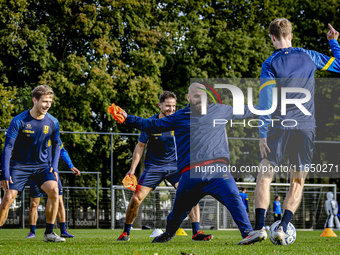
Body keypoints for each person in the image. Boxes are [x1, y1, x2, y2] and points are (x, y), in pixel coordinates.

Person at [114, 83, 260, 245]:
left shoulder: (220, 110)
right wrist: (128, 118)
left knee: (234, 196)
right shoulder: (179, 117)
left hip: (217, 172)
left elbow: (247, 110)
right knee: (177, 214)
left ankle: (247, 232)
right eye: (196, 96)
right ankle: (168, 233)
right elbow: (151, 125)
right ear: (188, 98)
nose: (200, 99)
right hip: (190, 176)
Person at [242, 19, 340, 245]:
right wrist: (334, 42)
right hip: (306, 127)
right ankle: (283, 227)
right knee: (298, 180)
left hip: (279, 125)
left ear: (272, 38)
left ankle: (258, 229)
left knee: (265, 175)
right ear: (291, 35)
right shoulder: (309, 56)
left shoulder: (269, 63)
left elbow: (266, 102)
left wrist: (262, 134)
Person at [117, 91, 212, 242]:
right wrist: (132, 170)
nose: (171, 109)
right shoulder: (152, 123)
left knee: (190, 193)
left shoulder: (179, 120)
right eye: (168, 106)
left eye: (173, 106)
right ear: (159, 105)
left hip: (175, 167)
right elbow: (140, 146)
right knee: (136, 199)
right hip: (153, 167)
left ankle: (196, 232)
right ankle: (125, 233)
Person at [0, 85, 65, 242]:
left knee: (54, 191)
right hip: (19, 166)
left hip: (42, 167)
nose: (47, 105)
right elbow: (8, 147)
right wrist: (5, 173)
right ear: (35, 100)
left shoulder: (53, 122)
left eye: (50, 101)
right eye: (44, 101)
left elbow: (57, 145)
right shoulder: (19, 121)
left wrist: (54, 167)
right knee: (8, 198)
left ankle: (49, 233)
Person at [26, 138, 81, 239]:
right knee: (34, 203)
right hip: (37, 172)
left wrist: (71, 166)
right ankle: (32, 233)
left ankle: (63, 231)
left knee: (59, 202)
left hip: (52, 174)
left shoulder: (56, 138)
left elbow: (62, 151)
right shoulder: (36, 134)